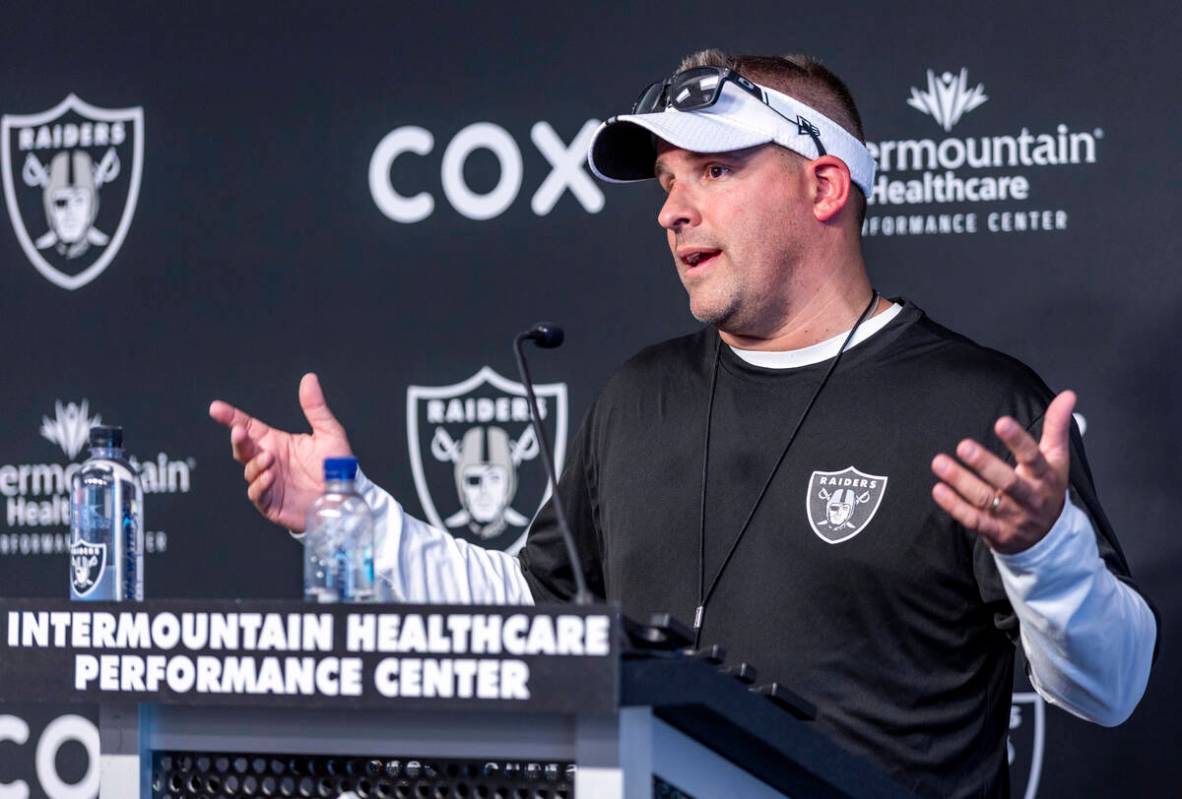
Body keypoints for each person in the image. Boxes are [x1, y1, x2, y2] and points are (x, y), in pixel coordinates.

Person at [210, 50, 1157, 797]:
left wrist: (1045, 548)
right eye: (666, 179)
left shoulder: (978, 404)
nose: (672, 209)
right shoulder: (636, 395)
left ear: (825, 188)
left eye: (714, 167)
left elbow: (1108, 689)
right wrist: (348, 516)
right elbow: (536, 613)